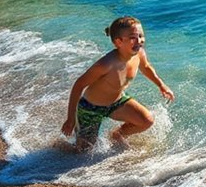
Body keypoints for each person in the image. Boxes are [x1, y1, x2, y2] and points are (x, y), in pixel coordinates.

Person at [61, 16, 175, 151]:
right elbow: (78, 85)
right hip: (90, 108)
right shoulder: (106, 64)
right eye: (133, 37)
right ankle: (59, 148)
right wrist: (70, 118)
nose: (139, 40)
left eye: (141, 36)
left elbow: (146, 67)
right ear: (118, 42)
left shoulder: (139, 54)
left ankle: (117, 135)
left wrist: (161, 85)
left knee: (146, 120)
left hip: (116, 102)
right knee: (83, 151)